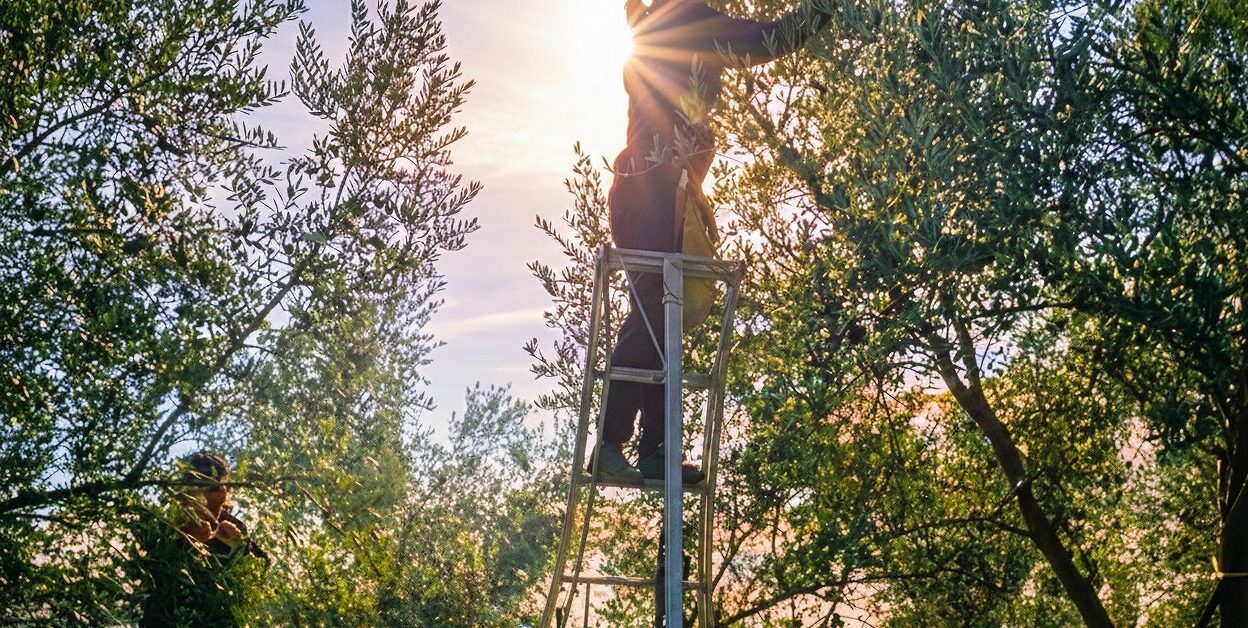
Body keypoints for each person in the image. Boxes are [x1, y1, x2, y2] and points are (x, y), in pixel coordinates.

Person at [594, 0, 836, 484]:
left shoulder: (655, 22)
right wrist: (823, 10)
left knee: (664, 316)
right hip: (655, 188)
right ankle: (613, 445)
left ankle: (653, 449)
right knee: (652, 312)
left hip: (650, 188)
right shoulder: (689, 19)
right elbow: (770, 40)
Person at [137, 451, 265, 627]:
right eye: (201, 485)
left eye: (216, 487)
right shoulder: (166, 525)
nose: (207, 498)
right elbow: (154, 582)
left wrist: (238, 546)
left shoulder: (233, 527)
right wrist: (191, 544)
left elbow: (257, 574)